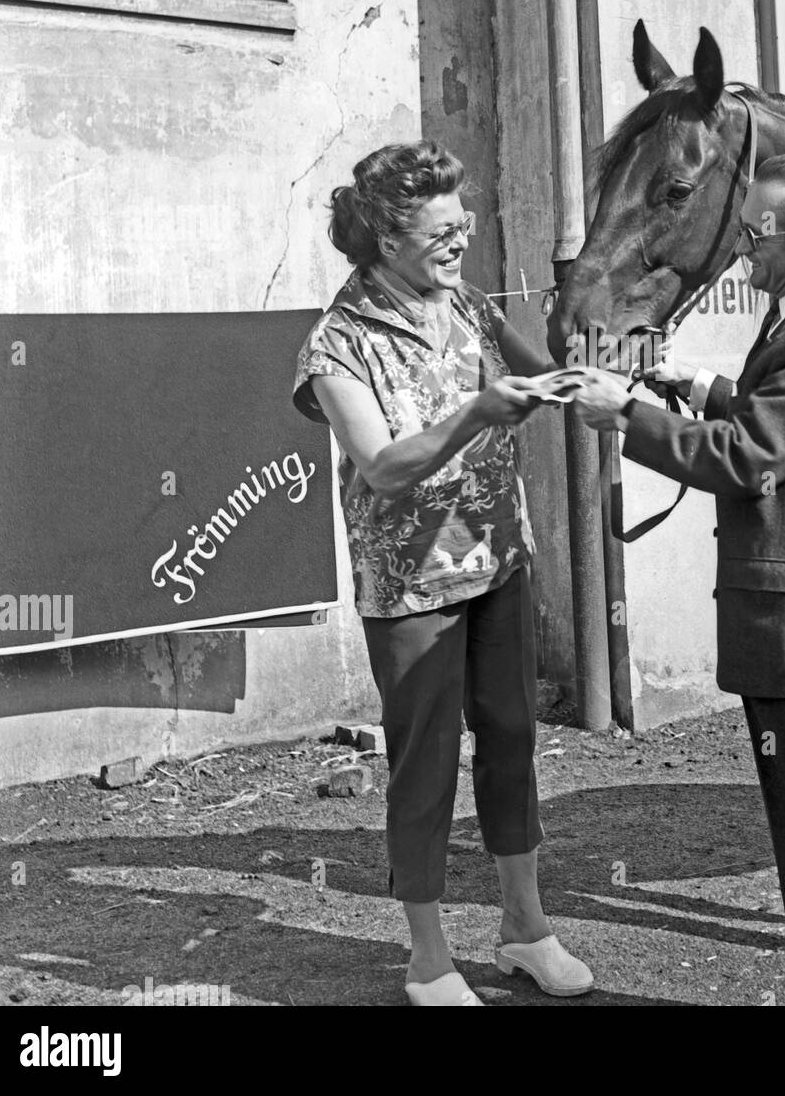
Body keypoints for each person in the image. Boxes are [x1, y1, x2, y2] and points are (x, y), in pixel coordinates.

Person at [571, 150, 785, 1006]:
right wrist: (699, 385)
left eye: (758, 234)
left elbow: (753, 456)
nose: (742, 248)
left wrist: (625, 415)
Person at [293, 140, 593, 1007]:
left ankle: (525, 928)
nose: (461, 241)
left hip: (499, 560)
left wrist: (596, 363)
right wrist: (476, 414)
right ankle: (428, 961)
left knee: (512, 741)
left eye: (463, 224)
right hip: (411, 588)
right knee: (424, 764)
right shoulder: (336, 345)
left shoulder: (467, 302)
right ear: (388, 242)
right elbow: (383, 466)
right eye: (441, 232)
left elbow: (543, 375)